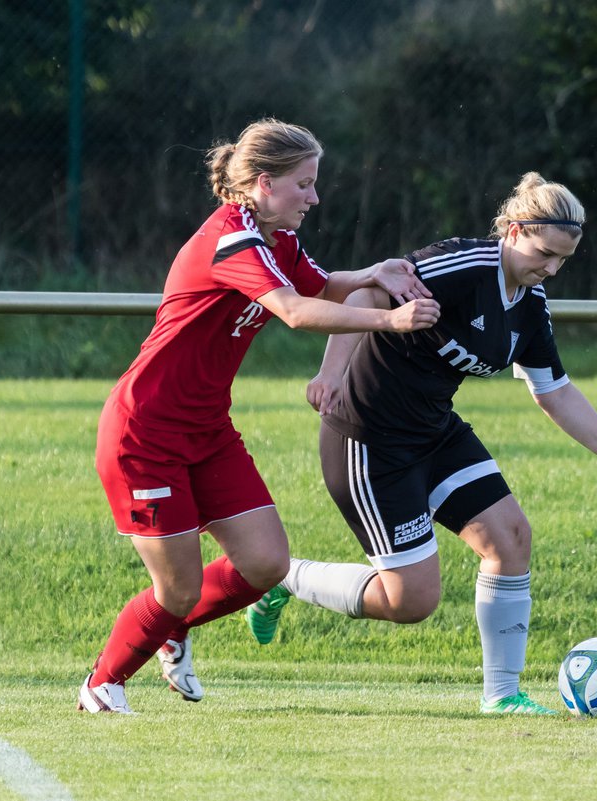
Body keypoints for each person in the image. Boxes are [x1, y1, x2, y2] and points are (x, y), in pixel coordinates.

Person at [240, 172, 597, 715]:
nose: (550, 269)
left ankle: (502, 696)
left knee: (510, 537)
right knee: (411, 600)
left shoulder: (530, 304)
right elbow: (370, 288)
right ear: (512, 230)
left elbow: (552, 390)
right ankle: (283, 579)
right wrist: (332, 372)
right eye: (544, 253)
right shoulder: (459, 266)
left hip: (434, 431)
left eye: (563, 260)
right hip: (369, 438)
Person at [78, 118, 440, 714]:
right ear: (264, 182)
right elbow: (296, 312)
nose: (315, 197)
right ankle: (102, 683)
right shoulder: (233, 240)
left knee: (266, 563)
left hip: (207, 430)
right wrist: (387, 320)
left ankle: (169, 628)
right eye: (305, 184)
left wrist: (373, 274)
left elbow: (322, 287)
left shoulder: (275, 239)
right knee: (178, 588)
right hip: (145, 431)